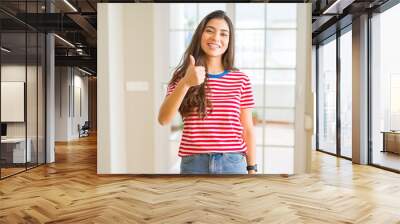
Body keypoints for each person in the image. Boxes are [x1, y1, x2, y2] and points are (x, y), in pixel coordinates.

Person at [158, 10, 257, 174]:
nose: (216, 38)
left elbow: (248, 129)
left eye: (223, 34)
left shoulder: (241, 79)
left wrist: (252, 169)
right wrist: (185, 83)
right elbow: (163, 119)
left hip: (233, 163)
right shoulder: (183, 76)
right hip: (193, 164)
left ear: (229, 41)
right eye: (210, 30)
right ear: (200, 35)